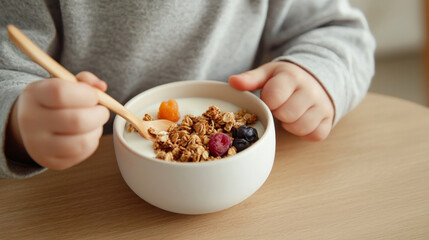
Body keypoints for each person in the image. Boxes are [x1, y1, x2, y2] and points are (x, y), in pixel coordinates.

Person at [0, 0, 375, 178]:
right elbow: (7, 67)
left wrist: (317, 73)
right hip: (87, 195)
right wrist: (17, 126)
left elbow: (340, 32)